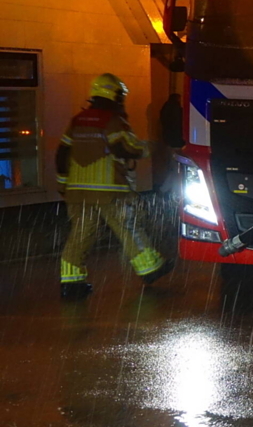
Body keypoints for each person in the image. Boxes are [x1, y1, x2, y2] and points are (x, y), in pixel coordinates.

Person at [56, 73, 172, 299]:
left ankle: (71, 282)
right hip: (110, 190)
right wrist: (152, 147)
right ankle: (150, 268)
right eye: (120, 95)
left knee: (81, 235)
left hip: (78, 193)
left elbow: (62, 153)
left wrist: (63, 183)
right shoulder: (112, 120)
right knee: (127, 227)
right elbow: (126, 148)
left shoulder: (77, 120)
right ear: (114, 94)